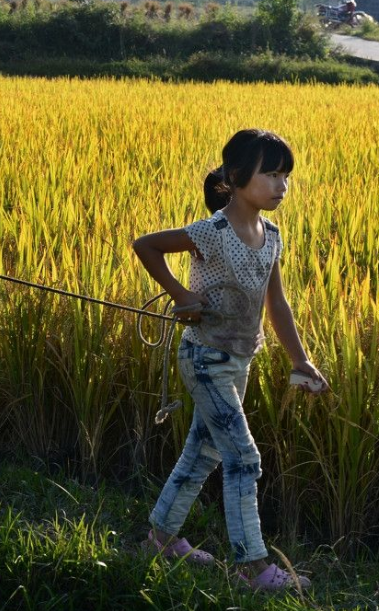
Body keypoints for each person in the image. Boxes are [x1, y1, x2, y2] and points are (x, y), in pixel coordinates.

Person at [132, 128, 330, 592]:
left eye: (286, 176)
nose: (281, 185)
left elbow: (275, 304)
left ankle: (158, 541)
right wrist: (181, 294)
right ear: (237, 177)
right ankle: (251, 567)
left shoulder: (272, 234)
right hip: (204, 357)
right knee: (244, 458)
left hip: (238, 360)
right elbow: (146, 244)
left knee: (203, 453)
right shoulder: (214, 231)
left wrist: (301, 359)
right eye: (271, 174)